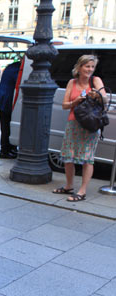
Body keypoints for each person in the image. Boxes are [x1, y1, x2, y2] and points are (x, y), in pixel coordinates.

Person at [53, 55, 107, 202]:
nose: (90, 69)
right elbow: (64, 105)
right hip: (73, 123)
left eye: (92, 67)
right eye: (87, 66)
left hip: (90, 124)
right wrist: (75, 101)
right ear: (80, 67)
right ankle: (69, 186)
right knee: (68, 156)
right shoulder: (72, 82)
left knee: (87, 158)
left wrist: (96, 95)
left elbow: (105, 99)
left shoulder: (95, 81)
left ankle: (82, 191)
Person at [0, 60, 21, 159]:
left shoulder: (12, 66)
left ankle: (9, 148)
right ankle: (4, 151)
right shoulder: (17, 69)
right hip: (5, 99)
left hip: (2, 97)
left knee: (6, 126)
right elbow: (18, 82)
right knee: (6, 126)